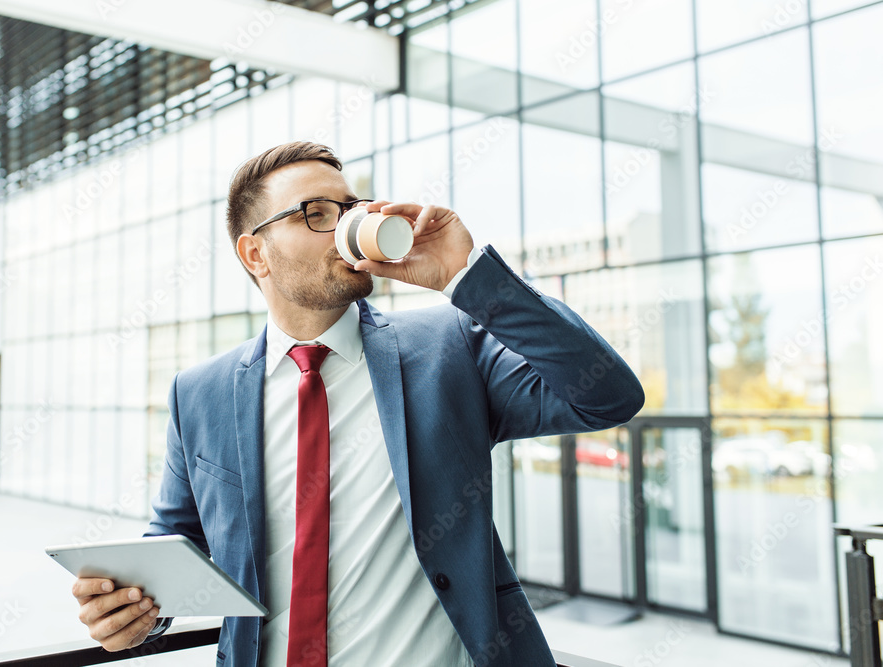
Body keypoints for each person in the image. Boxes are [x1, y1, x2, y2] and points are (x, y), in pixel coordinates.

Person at [70, 141, 644, 666]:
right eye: (316, 213)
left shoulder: (449, 346)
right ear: (255, 254)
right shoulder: (200, 394)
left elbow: (606, 397)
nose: (348, 223)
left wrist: (466, 275)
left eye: (352, 208)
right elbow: (176, 544)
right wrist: (136, 614)